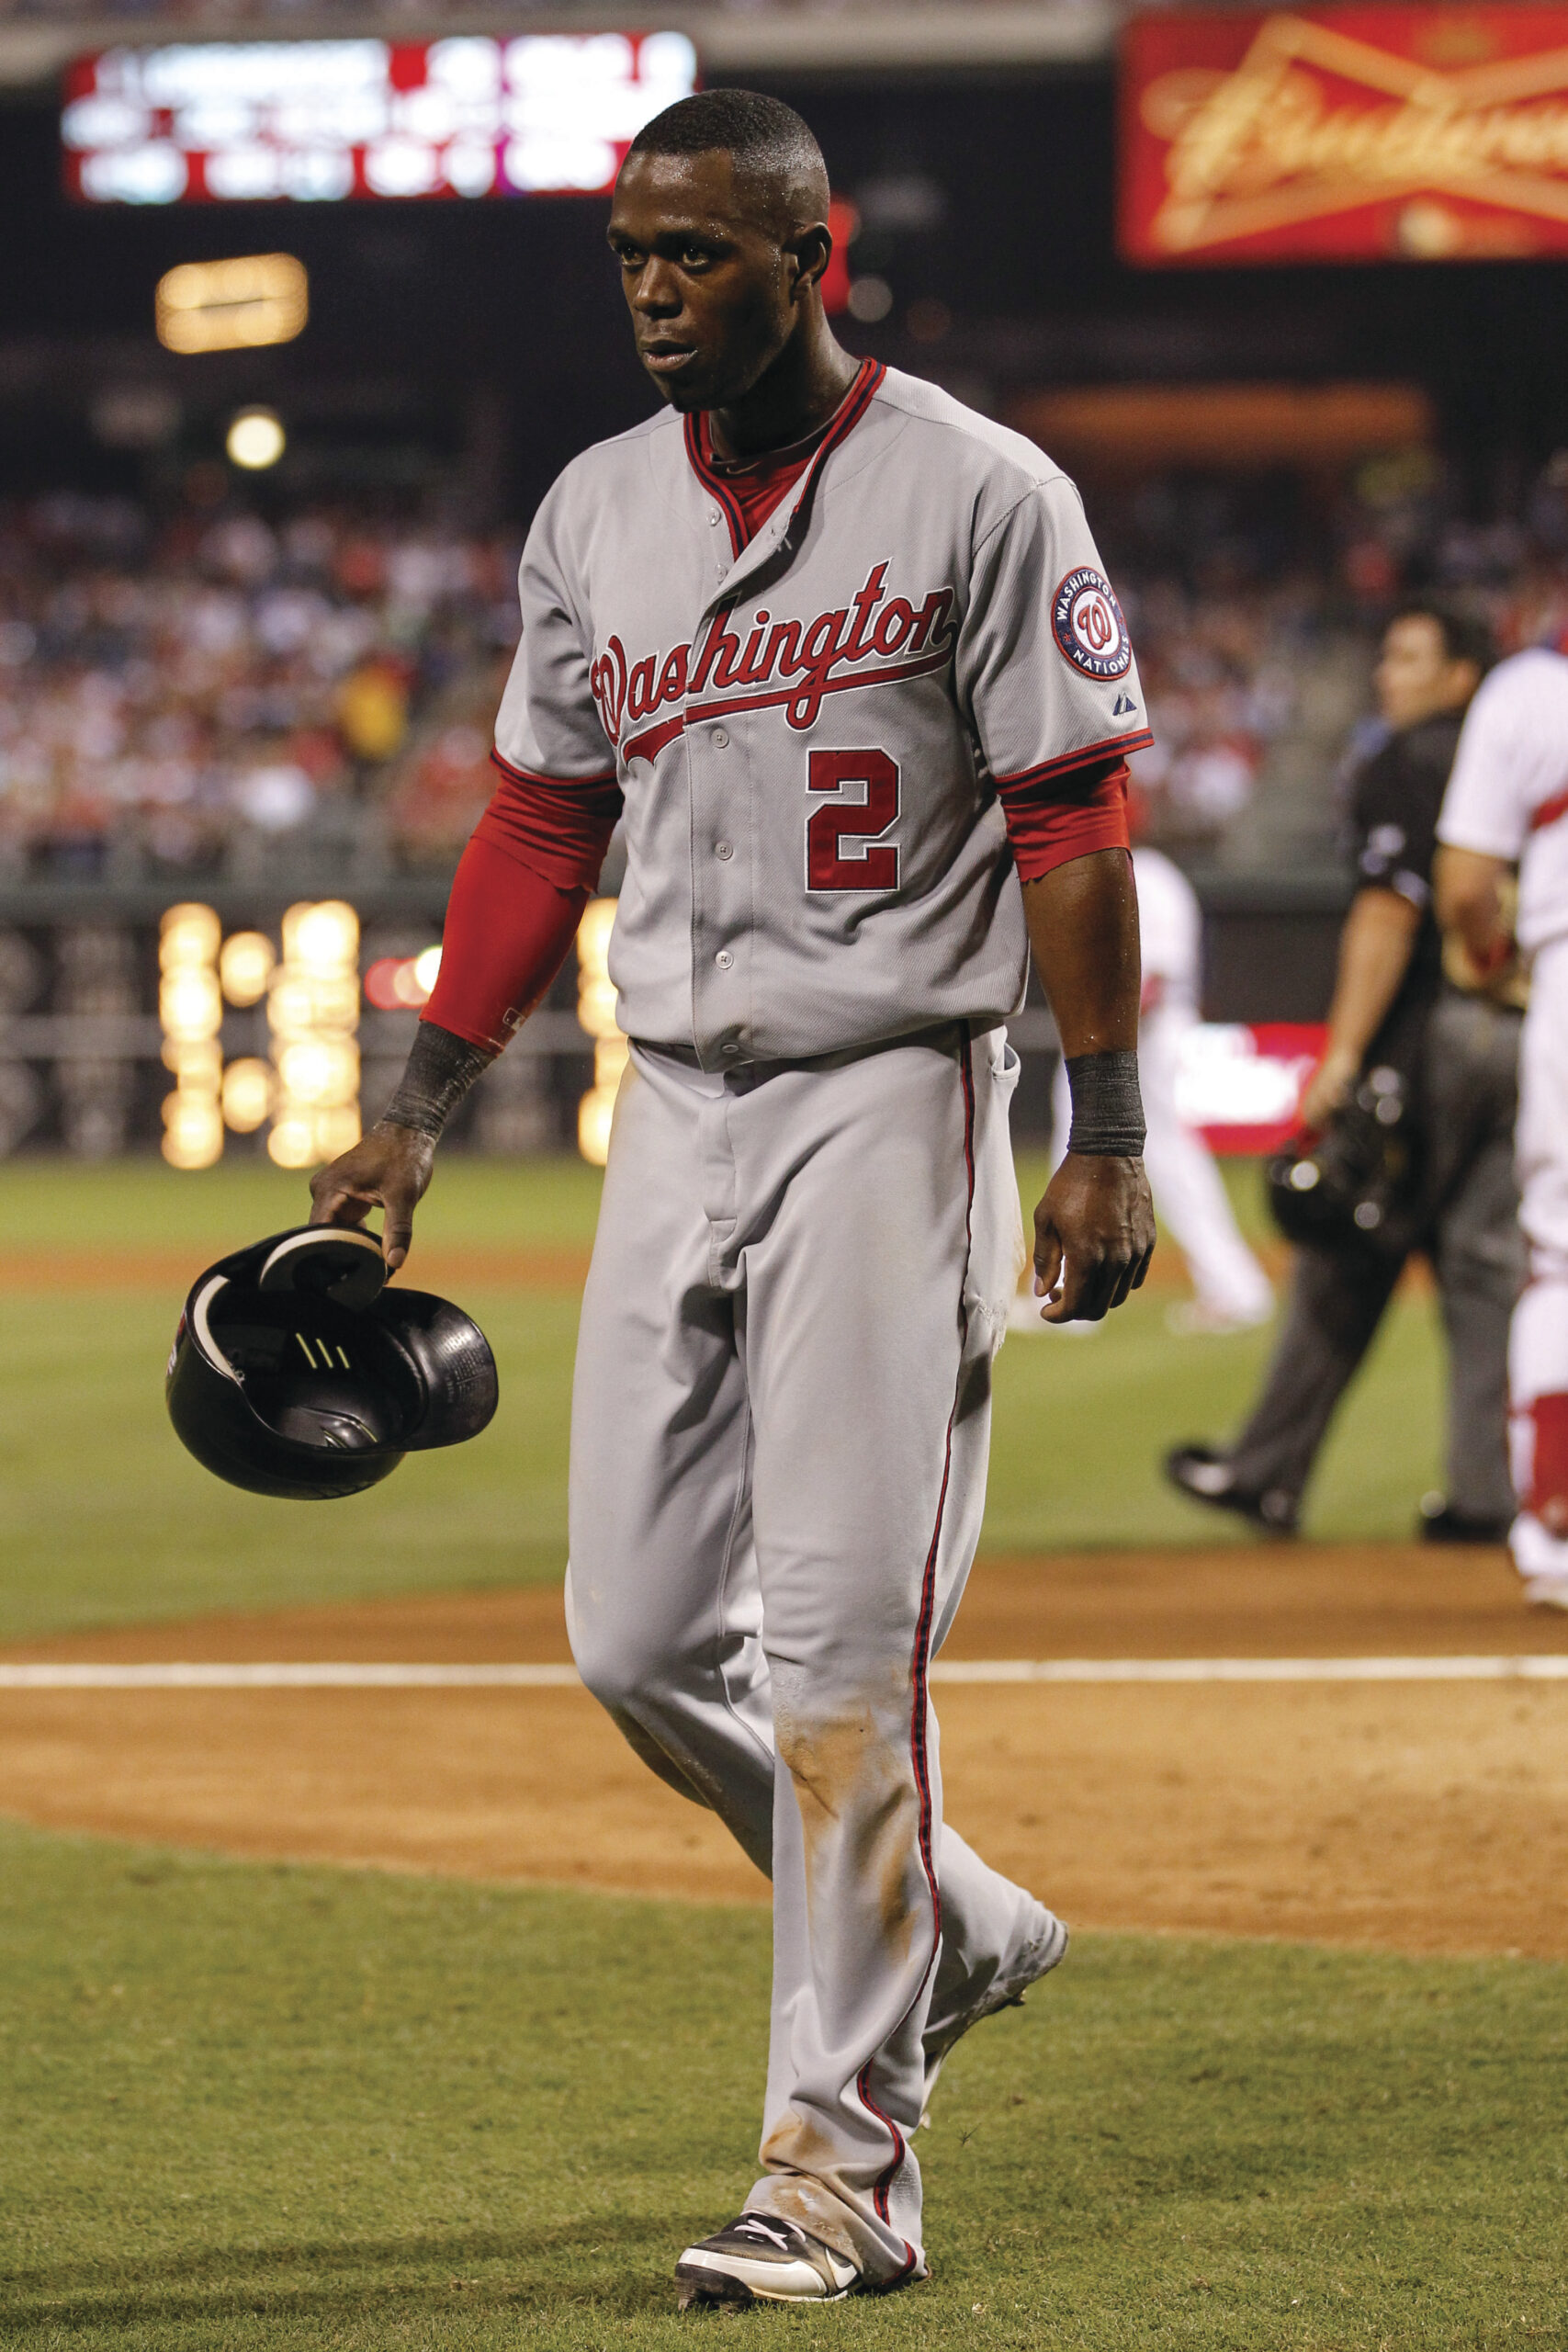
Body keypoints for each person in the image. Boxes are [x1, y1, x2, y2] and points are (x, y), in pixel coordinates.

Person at [308, 91, 1156, 2309]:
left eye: (695, 251)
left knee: (844, 1654)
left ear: (812, 250)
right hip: (670, 1101)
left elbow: (1070, 818)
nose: (654, 288)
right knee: (628, 1635)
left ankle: (839, 2168)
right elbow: (529, 823)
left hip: (891, 1091)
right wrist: (415, 1107)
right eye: (627, 257)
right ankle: (955, 1925)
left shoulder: (976, 488)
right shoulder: (595, 510)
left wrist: (1106, 1130)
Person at [1166, 601, 1520, 1540]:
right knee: (1489, 1268)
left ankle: (1263, 1470)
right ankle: (1493, 1493)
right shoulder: (1524, 762)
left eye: (1410, 657)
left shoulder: (1409, 758)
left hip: (1431, 1038)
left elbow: (1390, 912)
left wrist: (1344, 1053)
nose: (1386, 675)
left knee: (1347, 1234)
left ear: (1461, 677)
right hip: (1528, 1035)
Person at [1435, 632, 1568, 1608]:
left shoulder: (1528, 689)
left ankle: (1559, 1515)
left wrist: (1501, 964)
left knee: (1560, 1259)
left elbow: (1468, 887)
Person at [1027, 834, 1273, 1335]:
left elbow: (1153, 981)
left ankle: (1235, 1287)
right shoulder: (1123, 867)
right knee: (1090, 1150)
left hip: (1141, 1038)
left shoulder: (1151, 876)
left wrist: (1104, 1041)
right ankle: (1067, 1295)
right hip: (1123, 1035)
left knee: (1167, 1159)